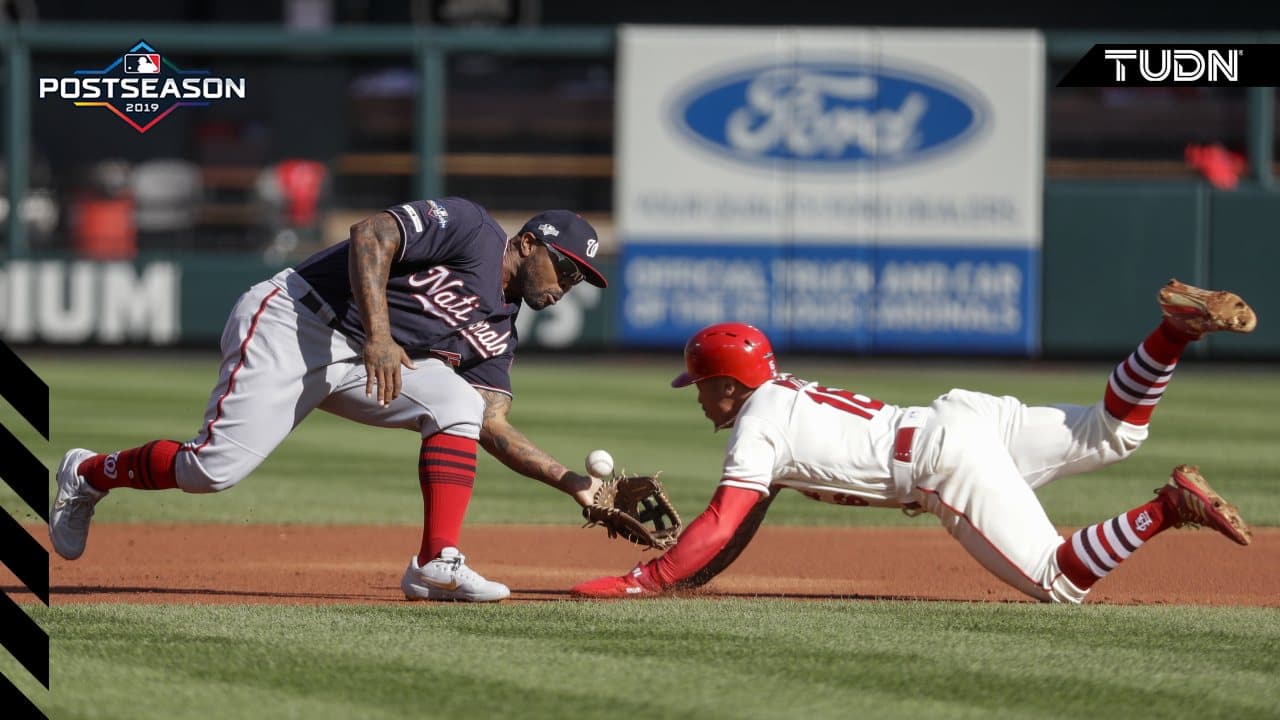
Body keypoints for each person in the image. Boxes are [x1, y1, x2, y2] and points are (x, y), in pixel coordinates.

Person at [51, 197, 609, 602]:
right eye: (565, 265)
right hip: (295, 321)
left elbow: (492, 424)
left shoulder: (499, 330)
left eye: (579, 278)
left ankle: (436, 563)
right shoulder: (473, 230)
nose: (567, 283)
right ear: (529, 244)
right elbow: (371, 234)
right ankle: (90, 473)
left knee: (458, 405)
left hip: (364, 358)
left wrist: (575, 483)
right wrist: (382, 335)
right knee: (211, 470)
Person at [572, 280, 1256, 603]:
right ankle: (1173, 332)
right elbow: (743, 520)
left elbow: (725, 517)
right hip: (960, 417)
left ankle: (1169, 507)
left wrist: (646, 580)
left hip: (942, 462)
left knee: (1057, 579)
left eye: (698, 384)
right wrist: (691, 578)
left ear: (727, 383)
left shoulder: (758, 428)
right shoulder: (780, 400)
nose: (696, 396)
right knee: (1112, 433)